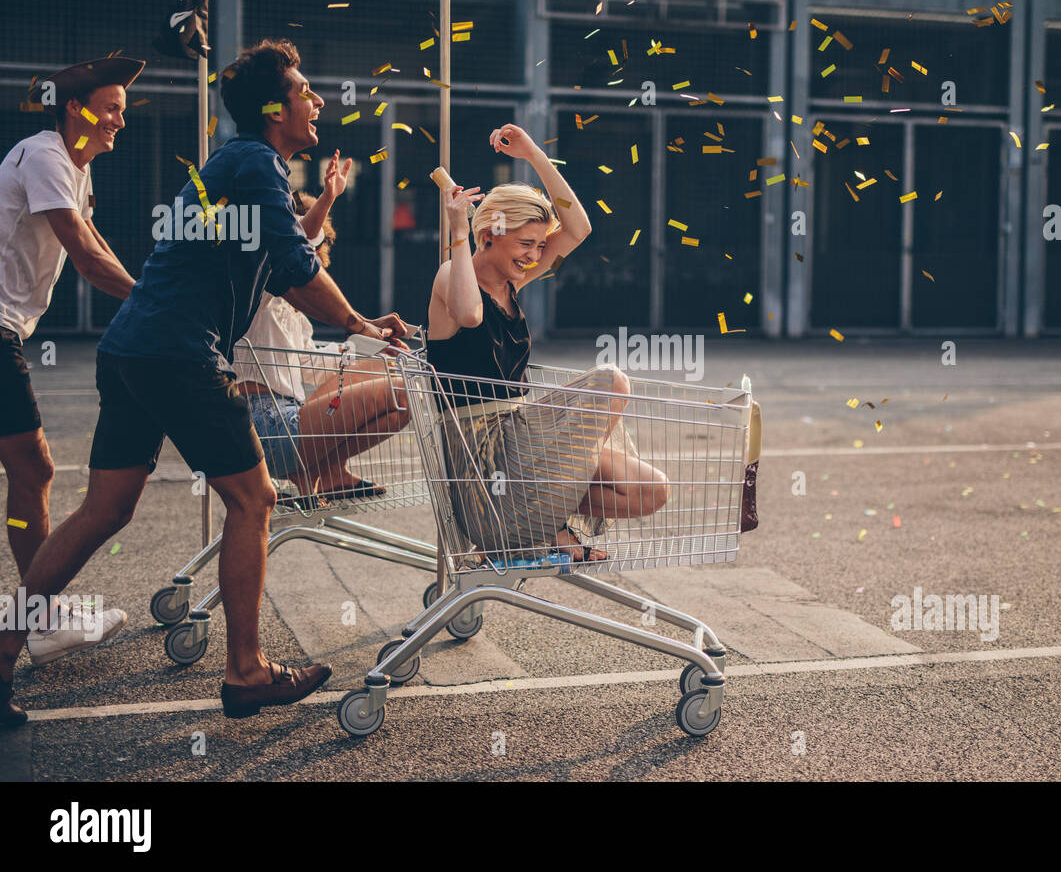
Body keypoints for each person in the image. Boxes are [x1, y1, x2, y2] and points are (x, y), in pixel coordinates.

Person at [0, 39, 408, 728]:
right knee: (254, 499)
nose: (315, 101)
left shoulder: (234, 163)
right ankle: (245, 671)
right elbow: (299, 267)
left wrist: (348, 314)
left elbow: (279, 268)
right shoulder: (257, 163)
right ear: (274, 109)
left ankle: (4, 649)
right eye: (305, 89)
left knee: (104, 510)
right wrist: (361, 321)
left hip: (132, 346)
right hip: (181, 353)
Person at [426, 123, 670, 571]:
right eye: (525, 244)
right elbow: (469, 315)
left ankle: (543, 522)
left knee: (650, 489)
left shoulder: (512, 278)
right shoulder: (451, 276)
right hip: (485, 460)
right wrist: (457, 226)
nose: (535, 256)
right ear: (489, 235)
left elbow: (578, 228)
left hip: (521, 448)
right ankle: (542, 528)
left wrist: (534, 155)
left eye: (540, 246)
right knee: (610, 381)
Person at [0, 56, 142, 672]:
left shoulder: (72, 169)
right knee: (33, 468)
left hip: (8, 329)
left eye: (121, 111)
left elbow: (95, 240)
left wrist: (146, 292)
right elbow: (84, 256)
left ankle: (39, 617)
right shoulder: (45, 156)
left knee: (29, 472)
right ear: (74, 110)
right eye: (111, 108)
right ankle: (41, 619)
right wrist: (152, 302)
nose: (118, 121)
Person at [232, 168, 410, 506]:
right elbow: (294, 242)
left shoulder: (293, 306)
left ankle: (329, 473)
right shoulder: (259, 284)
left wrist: (373, 348)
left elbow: (312, 362)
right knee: (401, 390)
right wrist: (328, 197)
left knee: (398, 386)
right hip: (263, 424)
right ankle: (319, 471)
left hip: (289, 415)